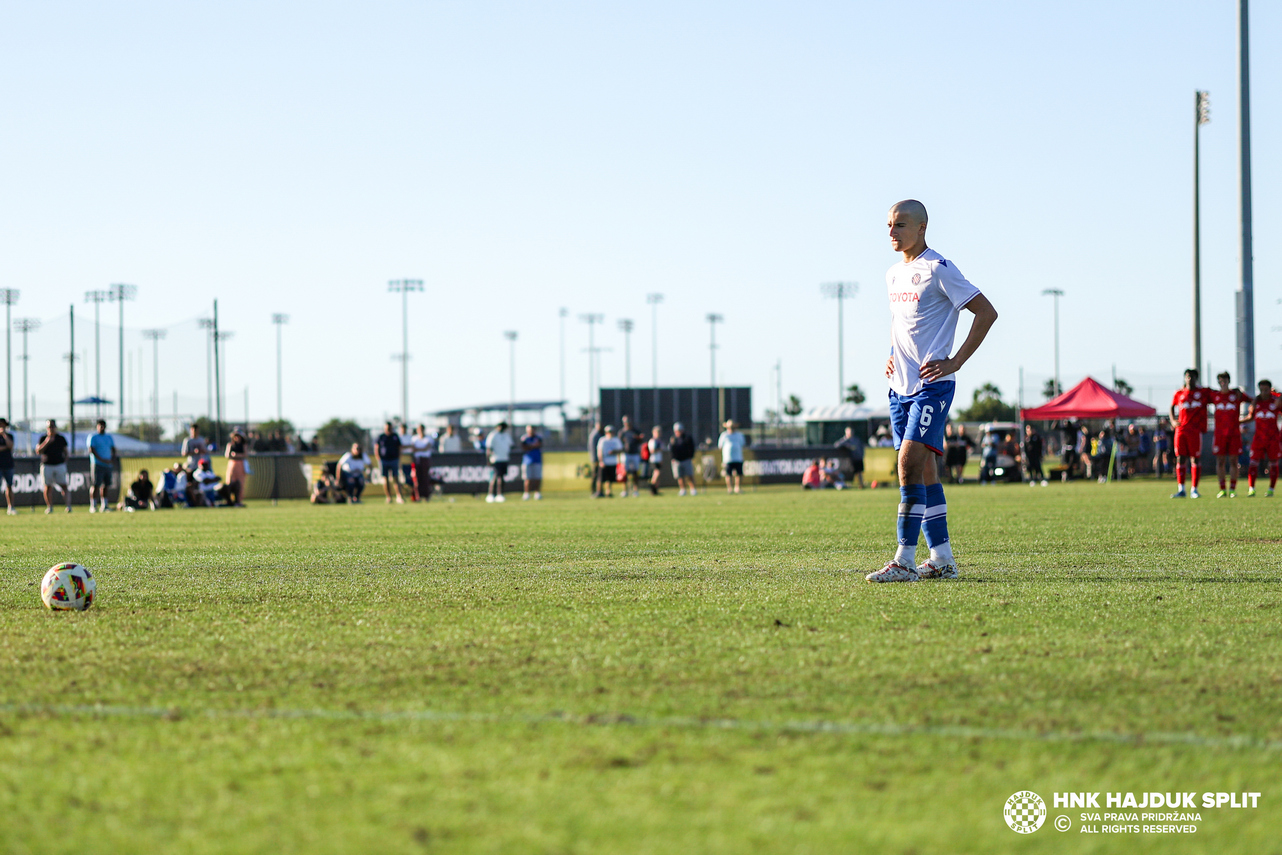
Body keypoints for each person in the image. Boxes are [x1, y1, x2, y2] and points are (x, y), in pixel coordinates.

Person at [867, 199, 998, 583]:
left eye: (901, 225)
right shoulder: (893, 274)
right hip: (899, 388)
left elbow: (986, 312)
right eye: (889, 225)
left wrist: (955, 361)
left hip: (931, 387)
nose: (892, 232)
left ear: (922, 228)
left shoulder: (939, 269)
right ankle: (942, 559)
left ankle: (904, 560)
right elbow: (905, 326)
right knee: (924, 471)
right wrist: (892, 354)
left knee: (907, 465)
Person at [1169, 368, 1211, 498]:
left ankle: (1194, 489)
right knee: (1180, 458)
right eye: (1187, 376)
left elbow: (1216, 395)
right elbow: (1172, 406)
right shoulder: (1179, 393)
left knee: (1195, 458)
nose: (1189, 379)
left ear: (1196, 378)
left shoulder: (1203, 392)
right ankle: (1181, 489)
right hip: (1181, 430)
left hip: (1195, 430)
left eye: (1192, 377)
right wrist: (1173, 420)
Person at [1211, 371, 1249, 498]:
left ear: (1229, 381)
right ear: (1218, 382)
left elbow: (1253, 400)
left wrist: (1248, 417)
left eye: (1225, 380)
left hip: (1234, 434)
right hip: (1219, 434)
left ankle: (1232, 489)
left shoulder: (1236, 395)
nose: (1223, 383)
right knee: (1220, 461)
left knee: (1234, 461)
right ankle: (1222, 489)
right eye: (1221, 381)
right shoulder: (1214, 395)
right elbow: (1200, 394)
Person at [1242, 379, 1281, 497]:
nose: (1264, 392)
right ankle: (1251, 488)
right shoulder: (1256, 402)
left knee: (1273, 463)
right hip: (1258, 438)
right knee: (1253, 462)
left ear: (1270, 389)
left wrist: (1278, 395)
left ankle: (1271, 489)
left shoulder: (1276, 401)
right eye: (1261, 390)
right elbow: (1250, 417)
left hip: (1273, 438)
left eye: (1266, 390)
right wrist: (1237, 422)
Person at [37, 419, 72, 514]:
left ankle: (68, 506)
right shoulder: (43, 438)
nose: (51, 429)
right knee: (47, 487)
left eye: (52, 426)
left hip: (59, 465)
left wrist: (64, 461)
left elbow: (66, 452)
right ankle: (49, 507)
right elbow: (38, 451)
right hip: (47, 465)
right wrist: (47, 441)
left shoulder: (60, 438)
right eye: (49, 427)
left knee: (64, 485)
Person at [87, 419, 116, 513]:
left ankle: (104, 505)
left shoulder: (109, 437)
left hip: (107, 464)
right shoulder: (93, 437)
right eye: (100, 425)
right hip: (97, 464)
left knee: (106, 485)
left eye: (103, 425)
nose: (102, 427)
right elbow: (92, 449)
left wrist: (111, 459)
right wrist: (102, 459)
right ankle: (93, 505)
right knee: (95, 484)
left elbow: (113, 448)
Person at [375, 422, 405, 504]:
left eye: (390, 427)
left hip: (394, 459)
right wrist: (378, 458)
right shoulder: (381, 437)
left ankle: (399, 496)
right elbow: (377, 447)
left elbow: (399, 447)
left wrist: (399, 458)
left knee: (396, 478)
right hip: (384, 460)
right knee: (385, 479)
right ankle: (388, 497)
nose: (388, 429)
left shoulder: (395, 436)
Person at [484, 422, 513, 503]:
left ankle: (500, 494)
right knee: (495, 477)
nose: (502, 428)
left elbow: (511, 445)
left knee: (502, 477)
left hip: (504, 459)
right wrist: (488, 459)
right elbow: (488, 448)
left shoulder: (506, 435)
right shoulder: (493, 435)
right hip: (496, 459)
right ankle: (491, 494)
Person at [717, 420, 746, 494]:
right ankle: (730, 488)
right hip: (728, 458)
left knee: (739, 474)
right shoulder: (724, 435)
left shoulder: (739, 435)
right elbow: (720, 446)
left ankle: (737, 488)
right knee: (728, 474)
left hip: (738, 458)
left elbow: (742, 444)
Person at [596, 425, 623, 498]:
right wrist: (601, 461)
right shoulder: (602, 440)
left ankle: (608, 491)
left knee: (610, 479)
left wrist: (614, 452)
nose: (610, 433)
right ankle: (599, 492)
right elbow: (599, 451)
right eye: (608, 432)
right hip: (605, 462)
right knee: (601, 478)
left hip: (613, 462)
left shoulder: (616, 440)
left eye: (611, 432)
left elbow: (620, 449)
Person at [669, 422, 696, 496]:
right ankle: (682, 489)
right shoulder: (673, 439)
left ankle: (693, 489)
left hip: (686, 459)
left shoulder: (687, 438)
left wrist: (691, 456)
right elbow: (671, 450)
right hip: (677, 460)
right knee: (679, 476)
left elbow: (691, 448)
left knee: (689, 475)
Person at [618, 416, 642, 498]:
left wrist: (639, 438)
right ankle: (625, 490)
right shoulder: (622, 432)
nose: (627, 423)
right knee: (625, 473)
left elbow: (640, 440)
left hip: (635, 453)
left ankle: (635, 490)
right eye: (625, 422)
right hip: (625, 454)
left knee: (635, 473)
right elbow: (619, 443)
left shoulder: (635, 431)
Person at [410, 424, 435, 501]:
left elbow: (426, 448)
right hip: (417, 460)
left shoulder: (429, 438)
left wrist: (419, 449)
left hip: (425, 459)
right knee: (417, 478)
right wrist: (421, 449)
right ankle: (418, 496)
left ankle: (426, 495)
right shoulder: (414, 438)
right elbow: (413, 449)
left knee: (425, 478)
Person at [520, 424, 543, 500]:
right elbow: (524, 447)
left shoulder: (538, 438)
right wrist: (533, 446)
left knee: (537, 478)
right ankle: (526, 493)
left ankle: (537, 493)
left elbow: (539, 445)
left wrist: (530, 446)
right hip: (527, 461)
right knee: (527, 478)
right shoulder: (524, 438)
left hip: (537, 460)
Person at [0, 418, 15, 516]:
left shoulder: (9, 436)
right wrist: (5, 447)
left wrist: (4, 435)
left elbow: (10, 446)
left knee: (9, 486)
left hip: (8, 464)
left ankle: (11, 507)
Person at [646, 425, 665, 495]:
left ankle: (656, 490)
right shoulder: (652, 441)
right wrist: (659, 449)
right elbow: (652, 451)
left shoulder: (659, 441)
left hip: (659, 460)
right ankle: (652, 487)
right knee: (656, 473)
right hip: (654, 460)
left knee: (658, 475)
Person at [586, 421, 604, 497]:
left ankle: (599, 491)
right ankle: (593, 491)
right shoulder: (595, 435)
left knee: (599, 475)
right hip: (596, 459)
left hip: (599, 458)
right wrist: (596, 460)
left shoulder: (599, 434)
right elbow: (593, 449)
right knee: (595, 475)